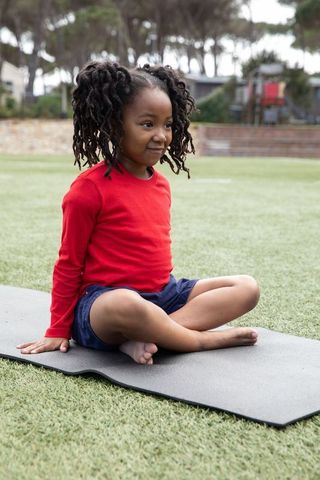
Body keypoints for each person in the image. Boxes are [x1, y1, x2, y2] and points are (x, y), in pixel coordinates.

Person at [17, 61, 260, 365]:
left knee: (246, 287)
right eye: (148, 124)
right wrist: (57, 328)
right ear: (115, 124)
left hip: (164, 295)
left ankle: (148, 335)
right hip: (104, 304)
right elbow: (68, 264)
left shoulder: (160, 185)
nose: (161, 135)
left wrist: (162, 305)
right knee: (127, 304)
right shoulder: (88, 190)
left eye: (168, 124)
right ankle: (194, 340)